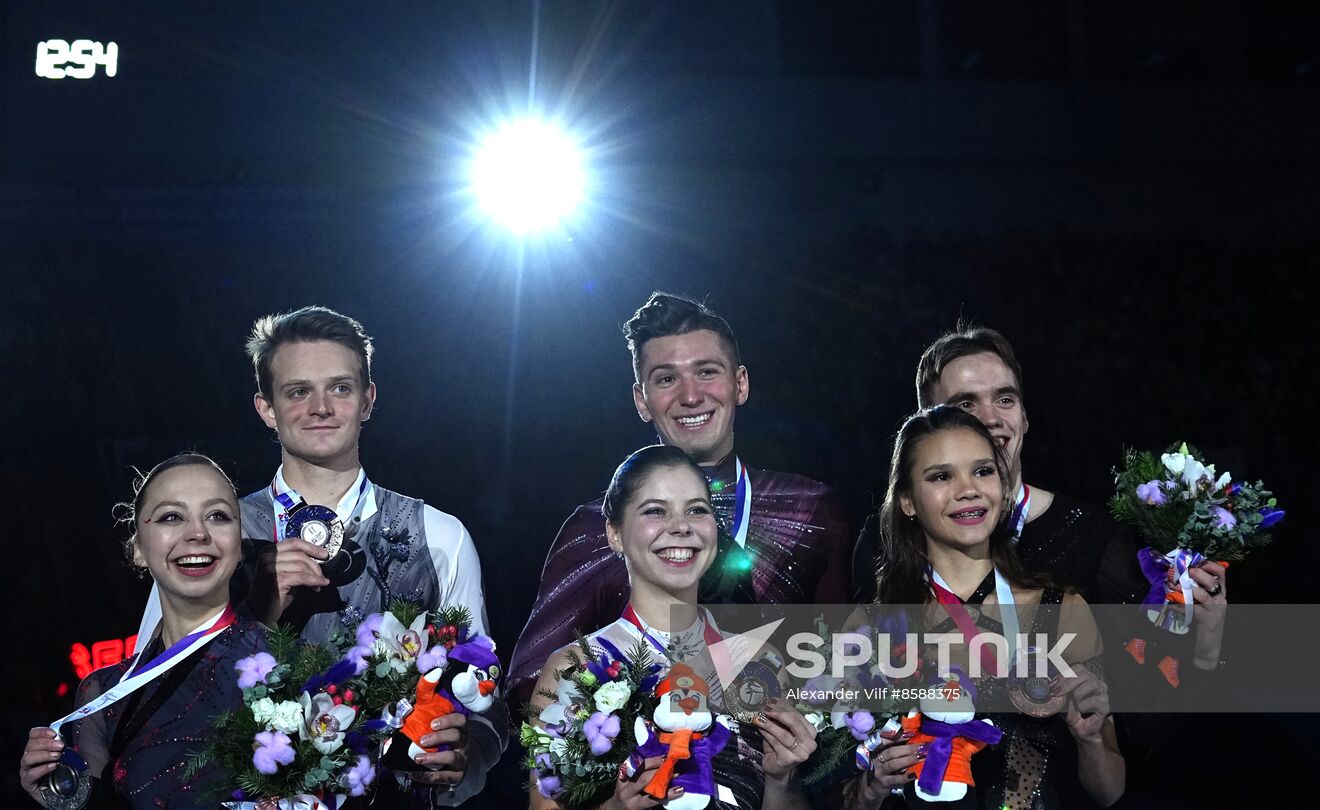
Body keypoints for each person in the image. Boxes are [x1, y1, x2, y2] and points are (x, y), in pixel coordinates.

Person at [133, 306, 502, 804]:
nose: (321, 407)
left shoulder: (439, 536)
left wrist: (466, 756)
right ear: (266, 408)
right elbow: (149, 699)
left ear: (368, 400)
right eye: (298, 391)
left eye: (341, 388)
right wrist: (253, 616)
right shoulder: (214, 536)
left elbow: (481, 695)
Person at [509, 292, 850, 707]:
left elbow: (840, 680)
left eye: (707, 372)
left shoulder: (810, 509)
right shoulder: (594, 527)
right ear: (642, 400)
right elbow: (531, 686)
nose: (690, 396)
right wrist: (619, 748)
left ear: (740, 383)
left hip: (780, 765)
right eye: (667, 378)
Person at [851, 325, 1227, 677]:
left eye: (1005, 399)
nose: (990, 418)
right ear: (925, 426)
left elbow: (1146, 704)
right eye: (965, 405)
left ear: (1025, 417)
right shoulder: (883, 542)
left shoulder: (1092, 538)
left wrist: (1206, 646)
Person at [845, 407, 1124, 810]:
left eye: (983, 471)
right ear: (907, 500)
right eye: (941, 476)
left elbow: (1110, 790)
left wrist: (1091, 740)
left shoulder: (1062, 609)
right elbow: (839, 796)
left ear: (1003, 485)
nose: (968, 489)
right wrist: (870, 788)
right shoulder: (872, 627)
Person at [529, 445, 817, 810]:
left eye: (697, 510)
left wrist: (780, 781)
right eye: (655, 511)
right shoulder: (574, 668)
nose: (681, 526)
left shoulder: (760, 661)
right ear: (614, 532)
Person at [20, 453, 265, 809]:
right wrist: (57, 794)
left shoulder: (292, 663)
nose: (197, 533)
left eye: (218, 516)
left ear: (239, 546)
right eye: (171, 517)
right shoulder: (103, 694)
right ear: (138, 549)